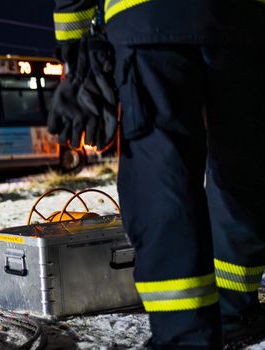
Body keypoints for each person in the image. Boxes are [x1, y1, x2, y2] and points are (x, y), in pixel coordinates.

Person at [48, 0, 265, 348]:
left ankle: (184, 335)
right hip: (246, 22)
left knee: (163, 176)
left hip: (148, 21)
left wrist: (74, 47)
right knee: (242, 171)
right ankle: (234, 309)